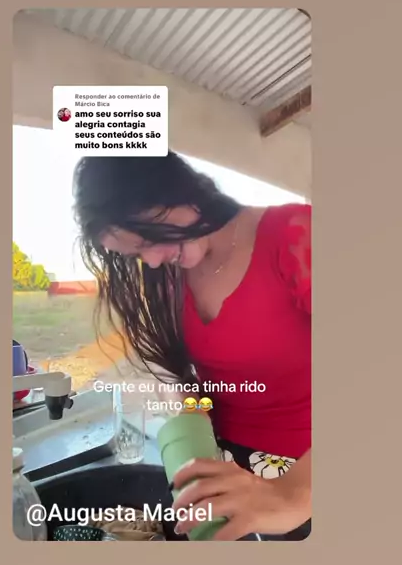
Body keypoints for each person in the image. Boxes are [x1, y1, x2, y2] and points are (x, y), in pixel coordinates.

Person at [73, 151, 311, 540]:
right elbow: (204, 380)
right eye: (136, 254)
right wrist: (191, 421)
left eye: (149, 237)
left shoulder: (296, 235)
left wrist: (293, 495)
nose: (152, 261)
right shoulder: (171, 279)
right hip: (226, 473)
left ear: (172, 188)